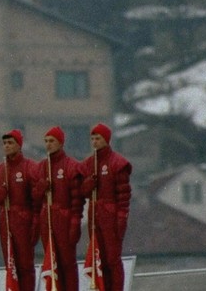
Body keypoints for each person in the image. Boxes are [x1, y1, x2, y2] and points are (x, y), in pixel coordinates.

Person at [80, 122, 131, 291]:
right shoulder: (88, 164)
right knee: (99, 256)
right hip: (95, 215)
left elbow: (123, 195)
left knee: (112, 259)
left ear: (106, 140)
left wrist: (121, 217)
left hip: (111, 214)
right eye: (92, 138)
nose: (94, 142)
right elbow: (82, 192)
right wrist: (88, 185)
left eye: (98, 138)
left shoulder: (117, 163)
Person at [33, 126, 83, 291]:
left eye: (52, 141)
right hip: (46, 219)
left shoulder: (71, 166)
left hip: (64, 219)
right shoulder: (41, 167)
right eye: (46, 141)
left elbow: (77, 198)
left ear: (60, 142)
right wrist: (40, 189)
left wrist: (75, 221)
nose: (48, 144)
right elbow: (33, 198)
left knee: (67, 263)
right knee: (50, 259)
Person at [0, 130, 40, 291]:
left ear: (19, 145)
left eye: (10, 143)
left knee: (25, 265)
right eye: (4, 143)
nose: (7, 146)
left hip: (23, 221)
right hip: (6, 221)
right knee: (10, 264)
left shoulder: (30, 167)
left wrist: (34, 224)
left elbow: (36, 200)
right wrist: (0, 194)